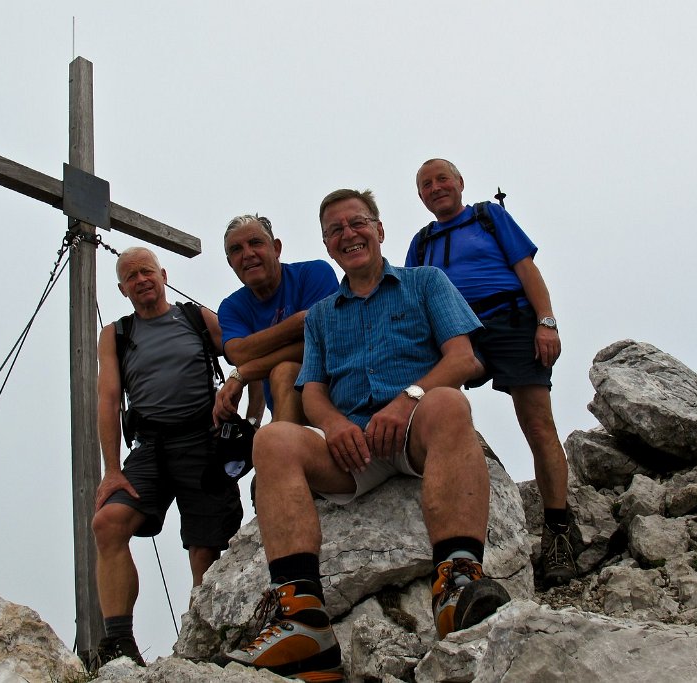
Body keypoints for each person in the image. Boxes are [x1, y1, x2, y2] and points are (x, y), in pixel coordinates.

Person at [226, 190, 510, 682]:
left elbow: (463, 358)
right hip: (353, 444)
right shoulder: (322, 314)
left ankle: (458, 581)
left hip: (415, 428)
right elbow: (311, 389)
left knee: (448, 401)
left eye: (357, 223)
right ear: (327, 246)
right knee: (273, 440)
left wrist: (409, 398)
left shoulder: (426, 283)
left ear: (379, 230)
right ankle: (303, 620)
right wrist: (333, 424)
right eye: (335, 230)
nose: (348, 234)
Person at [409, 158, 576, 586]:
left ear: (460, 183)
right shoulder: (422, 242)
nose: (435, 187)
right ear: (421, 196)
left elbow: (527, 269)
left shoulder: (488, 216)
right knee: (426, 403)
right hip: (456, 332)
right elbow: (410, 296)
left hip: (510, 322)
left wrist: (547, 321)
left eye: (442, 178)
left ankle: (558, 530)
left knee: (538, 425)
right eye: (426, 184)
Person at [91, 247, 259, 668]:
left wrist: (252, 420)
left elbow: (248, 357)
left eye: (147, 271)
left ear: (163, 274)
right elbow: (108, 399)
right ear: (121, 288)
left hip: (203, 440)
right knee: (109, 522)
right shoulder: (115, 334)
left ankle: (203, 646)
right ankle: (119, 643)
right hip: (149, 448)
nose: (141, 279)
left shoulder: (195, 318)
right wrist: (112, 469)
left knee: (205, 548)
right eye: (131, 276)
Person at [215, 215, 339, 426]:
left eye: (255, 243)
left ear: (276, 248)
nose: (247, 254)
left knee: (285, 371)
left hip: (339, 402)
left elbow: (325, 343)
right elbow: (239, 353)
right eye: (236, 249)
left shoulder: (314, 273)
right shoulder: (232, 307)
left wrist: (244, 373)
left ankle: (282, 446)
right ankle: (283, 446)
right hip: (287, 413)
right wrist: (299, 322)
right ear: (230, 263)